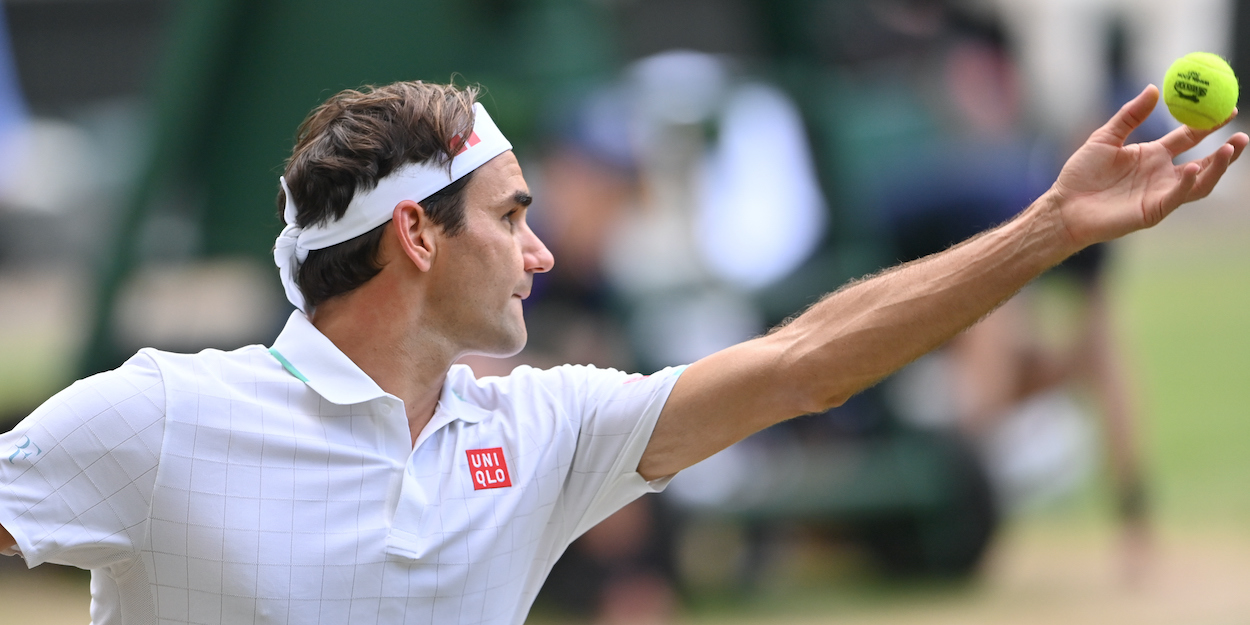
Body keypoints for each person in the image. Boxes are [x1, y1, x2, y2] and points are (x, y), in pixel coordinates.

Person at [0, 79, 1244, 624]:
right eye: (512, 216)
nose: (541, 251)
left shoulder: (538, 431)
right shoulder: (158, 418)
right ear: (416, 238)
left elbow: (810, 360)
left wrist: (1043, 230)